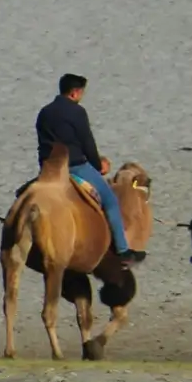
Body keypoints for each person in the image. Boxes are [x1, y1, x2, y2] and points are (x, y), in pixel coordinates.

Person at [34, 74, 141, 263]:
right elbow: (87, 143)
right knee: (110, 201)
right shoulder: (77, 112)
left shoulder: (44, 112)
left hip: (49, 169)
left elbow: (42, 144)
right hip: (74, 166)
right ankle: (123, 250)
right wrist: (98, 165)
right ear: (75, 93)